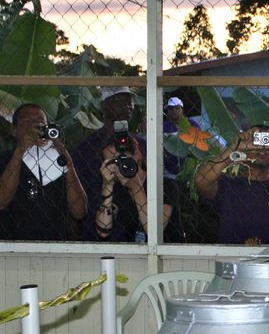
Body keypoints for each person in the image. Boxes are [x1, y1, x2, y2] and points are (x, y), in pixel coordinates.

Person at [194, 125, 269, 245]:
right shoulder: (227, 185)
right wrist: (235, 147)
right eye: (256, 141)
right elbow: (201, 180)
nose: (261, 148)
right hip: (231, 256)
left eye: (267, 142)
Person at [0, 103, 87, 240]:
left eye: (40, 122)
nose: (34, 126)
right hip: (12, 244)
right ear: (14, 130)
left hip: (54, 245)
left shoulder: (59, 159)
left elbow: (79, 211)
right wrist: (20, 150)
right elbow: (2, 202)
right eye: (27, 121)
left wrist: (66, 159)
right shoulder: (5, 159)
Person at [71, 86, 143, 239]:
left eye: (130, 101)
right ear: (103, 106)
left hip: (136, 228)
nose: (127, 106)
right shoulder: (85, 148)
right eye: (119, 101)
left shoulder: (141, 145)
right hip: (95, 228)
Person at [94, 132, 182, 243]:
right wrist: (107, 185)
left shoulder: (164, 184)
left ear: (137, 153)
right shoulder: (117, 190)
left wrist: (136, 188)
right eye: (112, 162)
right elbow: (103, 231)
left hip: (170, 254)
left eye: (121, 159)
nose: (118, 165)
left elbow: (154, 231)